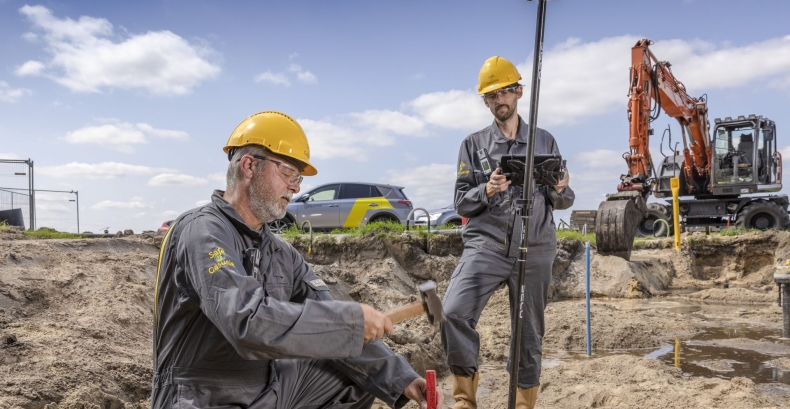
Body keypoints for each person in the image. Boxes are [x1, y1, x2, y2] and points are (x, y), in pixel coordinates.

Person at [151, 111, 441, 409]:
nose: (296, 187)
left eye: (298, 178)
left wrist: (401, 378)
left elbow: (325, 310)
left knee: (353, 375)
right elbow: (245, 321)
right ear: (249, 166)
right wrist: (347, 322)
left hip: (265, 387)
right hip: (202, 393)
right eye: (288, 173)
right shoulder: (202, 230)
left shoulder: (280, 252)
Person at [440, 57, 575, 409]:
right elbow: (460, 202)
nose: (499, 100)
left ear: (518, 92)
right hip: (487, 244)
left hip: (536, 246)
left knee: (529, 333)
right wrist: (486, 190)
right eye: (491, 96)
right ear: (485, 102)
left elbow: (562, 200)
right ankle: (465, 400)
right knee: (453, 312)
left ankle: (523, 403)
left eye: (504, 92)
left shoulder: (544, 140)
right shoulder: (473, 144)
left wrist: (561, 188)